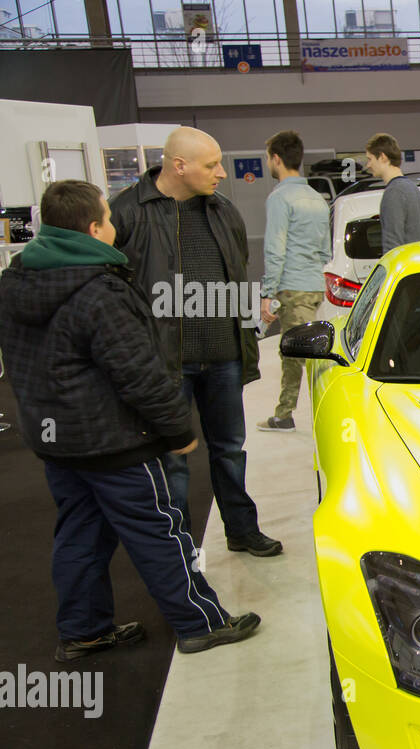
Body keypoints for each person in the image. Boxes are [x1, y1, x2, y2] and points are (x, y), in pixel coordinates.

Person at [0, 180, 262, 658]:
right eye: (108, 217)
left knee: (79, 532)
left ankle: (83, 630)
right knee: (159, 530)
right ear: (95, 226)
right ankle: (200, 623)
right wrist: (178, 431)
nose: (115, 226)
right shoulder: (100, 290)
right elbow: (138, 373)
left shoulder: (16, 281)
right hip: (114, 440)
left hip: (55, 438)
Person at [110, 126, 282, 557]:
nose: (222, 173)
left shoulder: (223, 211)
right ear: (179, 165)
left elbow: (238, 272)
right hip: (165, 364)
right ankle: (178, 548)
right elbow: (111, 290)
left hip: (222, 358)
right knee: (172, 460)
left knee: (230, 450)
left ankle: (242, 529)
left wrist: (246, 336)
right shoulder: (127, 213)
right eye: (211, 165)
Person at [257, 129, 330, 433]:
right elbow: (326, 250)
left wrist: (267, 293)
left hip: (293, 286)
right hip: (314, 286)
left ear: (276, 159)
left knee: (303, 357)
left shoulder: (280, 198)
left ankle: (311, 414)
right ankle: (284, 413)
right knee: (297, 353)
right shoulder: (318, 198)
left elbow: (275, 249)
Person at [365, 133, 420, 253]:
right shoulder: (412, 188)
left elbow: (392, 246)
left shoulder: (394, 192)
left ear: (382, 157)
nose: (368, 165)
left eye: (370, 159)